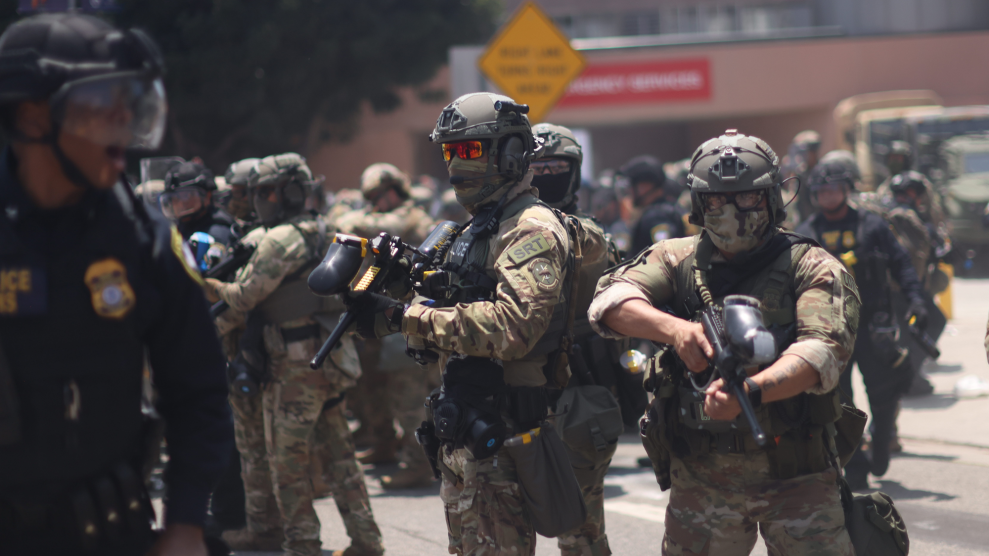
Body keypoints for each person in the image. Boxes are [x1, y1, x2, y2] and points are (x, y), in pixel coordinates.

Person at [0, 13, 233, 556]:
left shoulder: (141, 237)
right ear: (33, 116)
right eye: (104, 100)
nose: (124, 120)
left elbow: (197, 391)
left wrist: (185, 524)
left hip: (109, 532)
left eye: (131, 99)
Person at [590, 130, 860, 554]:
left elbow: (822, 352)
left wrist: (752, 391)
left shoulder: (810, 266)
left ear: (771, 198)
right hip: (702, 476)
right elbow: (609, 303)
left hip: (797, 474)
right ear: (699, 205)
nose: (732, 211)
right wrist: (676, 331)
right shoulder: (675, 258)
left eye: (747, 198)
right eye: (717, 200)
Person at [358, 92, 575, 555]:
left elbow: (513, 329)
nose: (457, 162)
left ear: (511, 153)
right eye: (450, 150)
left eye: (471, 149)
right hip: (464, 427)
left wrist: (406, 317)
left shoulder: (529, 229)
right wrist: (387, 298)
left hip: (507, 432)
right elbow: (452, 307)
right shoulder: (474, 229)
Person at [205, 153, 383, 556]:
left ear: (291, 192)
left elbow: (246, 295)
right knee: (341, 458)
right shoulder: (324, 229)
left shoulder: (280, 238)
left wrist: (211, 285)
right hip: (328, 356)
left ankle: (302, 544)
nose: (260, 200)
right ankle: (367, 541)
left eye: (267, 191)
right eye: (257, 192)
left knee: (287, 462)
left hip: (295, 368)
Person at [796, 158, 927, 491]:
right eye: (821, 191)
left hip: (873, 324)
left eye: (833, 189)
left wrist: (916, 300)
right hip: (830, 326)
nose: (827, 196)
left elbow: (902, 264)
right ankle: (854, 465)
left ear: (847, 190)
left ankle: (882, 441)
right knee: (839, 400)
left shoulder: (873, 226)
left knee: (884, 391)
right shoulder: (807, 232)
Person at [532, 123, 626, 556]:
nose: (547, 174)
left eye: (556, 166)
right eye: (539, 166)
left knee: (582, 523)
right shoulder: (502, 233)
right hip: (516, 390)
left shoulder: (594, 238)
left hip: (580, 390)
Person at [335, 162, 437, 489]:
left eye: (378, 196)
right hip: (380, 315)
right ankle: (384, 444)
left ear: (394, 190)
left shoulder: (414, 217)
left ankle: (418, 462)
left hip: (406, 315)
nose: (375, 203)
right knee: (374, 388)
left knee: (407, 396)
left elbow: (360, 224)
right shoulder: (379, 219)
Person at [622, 155, 686, 257]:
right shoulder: (673, 208)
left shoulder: (656, 217)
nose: (629, 191)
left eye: (632, 185)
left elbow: (666, 258)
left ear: (644, 186)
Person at [160, 162, 238, 247]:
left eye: (186, 195)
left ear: (207, 196)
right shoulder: (180, 227)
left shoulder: (217, 232)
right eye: (173, 198)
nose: (179, 203)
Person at [787, 129, 822, 222]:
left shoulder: (822, 172)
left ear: (813, 152)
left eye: (805, 152)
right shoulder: (800, 173)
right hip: (805, 222)